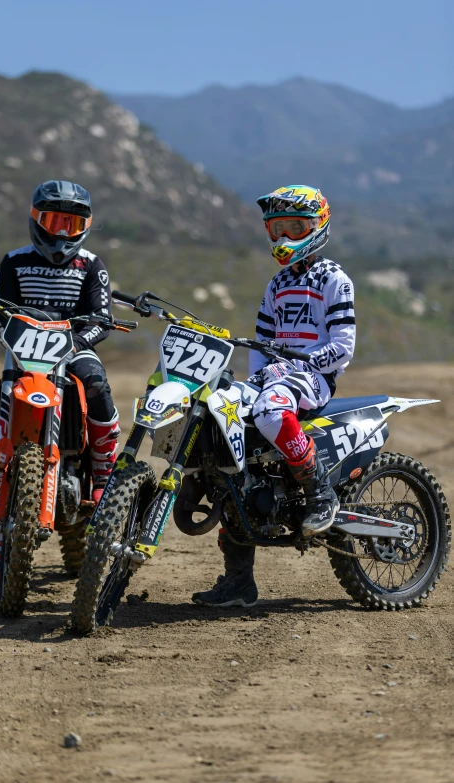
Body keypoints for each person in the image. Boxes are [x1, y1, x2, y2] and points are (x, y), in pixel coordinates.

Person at [193, 185, 356, 608]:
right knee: (228, 434)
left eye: (294, 228)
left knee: (268, 409)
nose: (284, 238)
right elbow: (262, 346)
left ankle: (320, 491)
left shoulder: (334, 278)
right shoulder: (277, 284)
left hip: (313, 379)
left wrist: (301, 360)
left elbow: (344, 345)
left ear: (317, 227)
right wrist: (259, 378)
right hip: (275, 376)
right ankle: (238, 582)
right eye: (277, 229)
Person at [0, 180, 119, 588]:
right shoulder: (13, 262)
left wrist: (74, 343)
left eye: (71, 224)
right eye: (53, 221)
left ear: (85, 226)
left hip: (73, 351)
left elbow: (101, 318)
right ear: (36, 220)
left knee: (97, 382)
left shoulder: (92, 265)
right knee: (4, 447)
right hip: (23, 356)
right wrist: (17, 344)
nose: (61, 232)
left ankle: (104, 471)